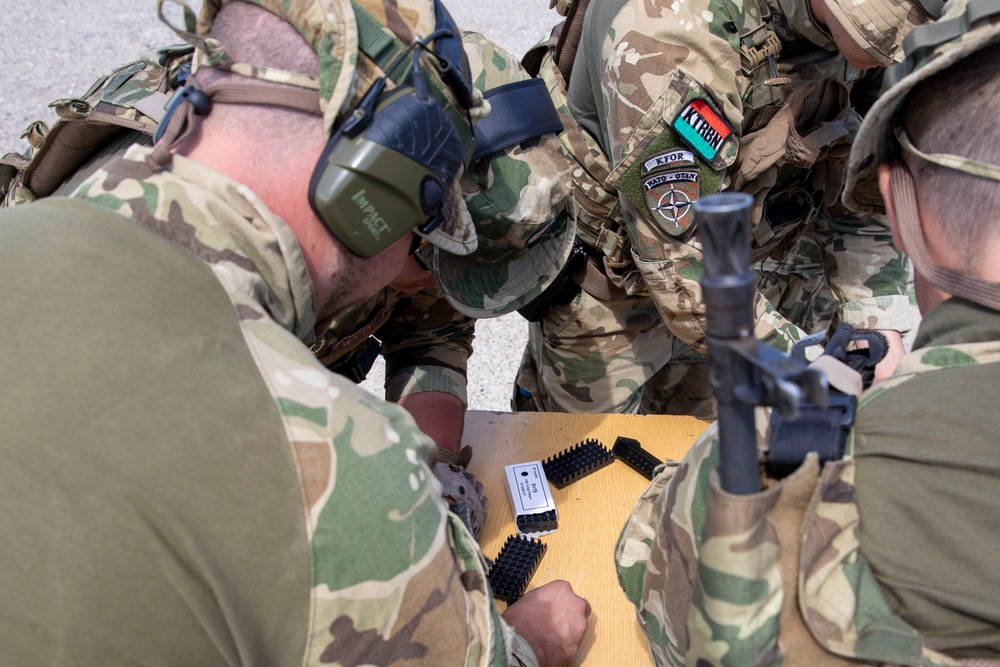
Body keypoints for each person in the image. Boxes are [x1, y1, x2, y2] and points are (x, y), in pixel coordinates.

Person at [0, 0, 590, 665]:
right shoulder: (329, 466)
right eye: (421, 230)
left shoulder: (38, 222)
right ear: (374, 192)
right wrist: (530, 642)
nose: (410, 268)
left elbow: (430, 326)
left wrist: (427, 451)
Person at [615, 0, 1000, 662]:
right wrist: (835, 376)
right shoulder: (673, 37)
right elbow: (681, 271)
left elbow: (648, 554)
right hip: (627, 314)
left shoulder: (761, 462)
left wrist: (860, 375)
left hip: (760, 276)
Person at [512, 0, 932, 418]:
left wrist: (874, 321)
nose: (894, 49)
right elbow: (682, 266)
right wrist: (807, 368)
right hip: (611, 295)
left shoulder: (857, 38)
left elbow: (861, 181)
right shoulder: (668, 30)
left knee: (699, 453)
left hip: (732, 272)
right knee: (583, 467)